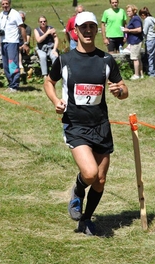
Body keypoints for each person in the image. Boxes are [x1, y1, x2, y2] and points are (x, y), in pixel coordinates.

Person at [44, 11, 129, 236]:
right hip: (75, 124)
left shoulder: (106, 60)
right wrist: (56, 100)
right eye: (84, 27)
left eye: (92, 27)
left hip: (101, 125)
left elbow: (124, 90)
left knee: (100, 180)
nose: (88, 31)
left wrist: (119, 91)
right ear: (76, 32)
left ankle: (86, 219)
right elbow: (48, 82)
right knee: (90, 173)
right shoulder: (65, 60)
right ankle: (78, 190)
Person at [0, 0, 28, 92]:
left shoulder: (15, 14)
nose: (5, 6)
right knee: (6, 65)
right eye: (3, 4)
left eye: (6, 3)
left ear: (10, 4)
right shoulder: (1, 14)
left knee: (13, 64)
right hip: (3, 41)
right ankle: (10, 84)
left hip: (12, 41)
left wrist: (25, 42)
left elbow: (22, 28)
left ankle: (14, 85)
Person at [123, 4, 143, 80]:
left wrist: (128, 30)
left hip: (135, 41)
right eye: (127, 11)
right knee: (138, 58)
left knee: (135, 58)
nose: (127, 12)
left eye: (129, 11)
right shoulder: (133, 19)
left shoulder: (135, 19)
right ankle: (141, 74)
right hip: (134, 40)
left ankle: (136, 75)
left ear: (134, 11)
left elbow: (139, 29)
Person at [139, 7, 155, 77]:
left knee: (150, 56)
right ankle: (152, 71)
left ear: (143, 14)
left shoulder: (147, 20)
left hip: (149, 39)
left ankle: (151, 73)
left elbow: (145, 31)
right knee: (152, 56)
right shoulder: (151, 19)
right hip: (153, 38)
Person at [18, 11, 32, 76]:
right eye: (20, 18)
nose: (22, 19)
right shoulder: (14, 27)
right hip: (16, 44)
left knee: (18, 49)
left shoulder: (28, 28)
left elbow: (27, 39)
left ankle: (21, 67)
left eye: (23, 18)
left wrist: (24, 45)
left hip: (24, 45)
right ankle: (21, 67)